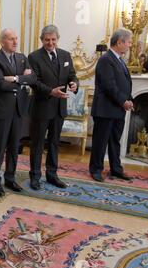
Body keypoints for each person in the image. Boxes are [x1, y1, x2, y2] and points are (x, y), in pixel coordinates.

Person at [28, 25, 79, 191]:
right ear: (41, 40)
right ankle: (35, 176)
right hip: (42, 107)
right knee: (37, 144)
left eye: (53, 40)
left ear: (57, 39)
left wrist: (74, 84)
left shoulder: (65, 55)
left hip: (59, 108)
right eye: (47, 40)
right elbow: (34, 82)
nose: (50, 43)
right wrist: (51, 91)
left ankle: (52, 174)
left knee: (54, 143)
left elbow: (72, 75)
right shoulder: (34, 57)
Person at [0, 29, 37, 196]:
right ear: (2, 42)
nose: (15, 42)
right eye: (11, 39)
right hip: (2, 110)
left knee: (14, 146)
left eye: (16, 39)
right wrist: (21, 79)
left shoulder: (22, 58)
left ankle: (10, 178)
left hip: (19, 109)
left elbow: (33, 79)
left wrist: (15, 78)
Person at [89, 28, 134, 183]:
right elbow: (109, 86)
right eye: (128, 42)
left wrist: (130, 98)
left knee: (115, 141)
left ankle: (116, 169)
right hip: (105, 109)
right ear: (119, 42)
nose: (129, 45)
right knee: (100, 142)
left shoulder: (120, 60)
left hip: (117, 109)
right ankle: (95, 169)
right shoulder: (106, 60)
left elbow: (125, 83)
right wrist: (124, 101)